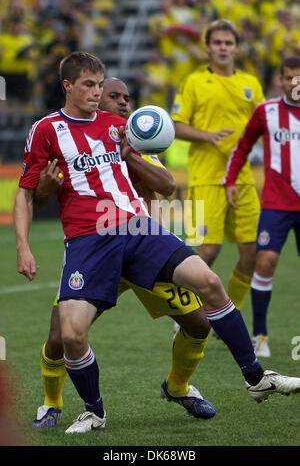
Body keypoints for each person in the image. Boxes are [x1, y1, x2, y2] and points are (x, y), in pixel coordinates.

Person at [13, 51, 300, 435]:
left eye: (102, 85)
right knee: (68, 335)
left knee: (209, 284)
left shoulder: (120, 129)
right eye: (90, 85)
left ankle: (255, 377)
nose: (98, 94)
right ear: (67, 86)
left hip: (137, 229)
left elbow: (165, 185)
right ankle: (90, 411)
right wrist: (23, 245)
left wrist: (131, 155)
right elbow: (27, 194)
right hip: (88, 239)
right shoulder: (46, 130)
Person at [31, 76, 213, 428]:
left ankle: (178, 386)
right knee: (59, 338)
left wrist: (132, 159)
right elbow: (38, 199)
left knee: (199, 323)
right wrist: (44, 187)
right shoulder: (73, 144)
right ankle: (51, 404)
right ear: (94, 99)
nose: (123, 102)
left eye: (127, 97)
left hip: (142, 250)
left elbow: (167, 187)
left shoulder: (138, 146)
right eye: (114, 96)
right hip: (97, 252)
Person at [171, 19, 265, 313]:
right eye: (217, 43)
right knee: (207, 252)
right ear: (207, 48)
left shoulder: (250, 83)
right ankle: (185, 315)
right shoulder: (194, 82)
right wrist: (207, 136)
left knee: (252, 254)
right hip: (205, 179)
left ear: (236, 48)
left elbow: (266, 123)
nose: (223, 48)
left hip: (243, 181)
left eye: (228, 43)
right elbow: (175, 125)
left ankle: (230, 314)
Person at [223, 55, 300, 357]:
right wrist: (230, 181)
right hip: (276, 204)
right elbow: (242, 147)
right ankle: (260, 335)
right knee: (264, 261)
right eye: (290, 76)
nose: (295, 82)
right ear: (280, 80)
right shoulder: (266, 112)